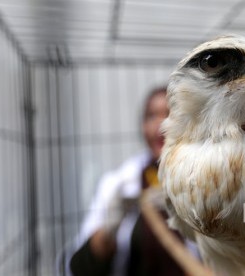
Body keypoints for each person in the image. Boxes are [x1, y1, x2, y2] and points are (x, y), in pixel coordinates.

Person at [70, 86, 193, 276]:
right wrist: (110, 228)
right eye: (152, 116)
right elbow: (80, 268)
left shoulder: (205, 179)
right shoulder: (119, 183)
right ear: (142, 126)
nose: (161, 126)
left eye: (170, 114)